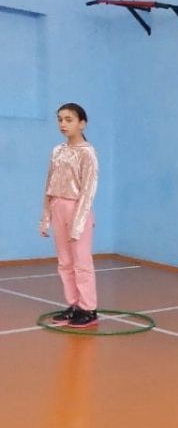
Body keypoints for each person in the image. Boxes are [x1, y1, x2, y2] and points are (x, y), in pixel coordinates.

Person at [38, 103, 99, 328]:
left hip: (77, 210)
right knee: (65, 262)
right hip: (58, 208)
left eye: (69, 120)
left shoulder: (87, 153)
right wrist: (45, 217)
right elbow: (49, 185)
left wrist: (78, 223)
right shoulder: (57, 151)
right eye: (60, 119)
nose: (63, 124)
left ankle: (88, 308)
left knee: (81, 262)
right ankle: (73, 305)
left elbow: (88, 190)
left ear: (82, 123)